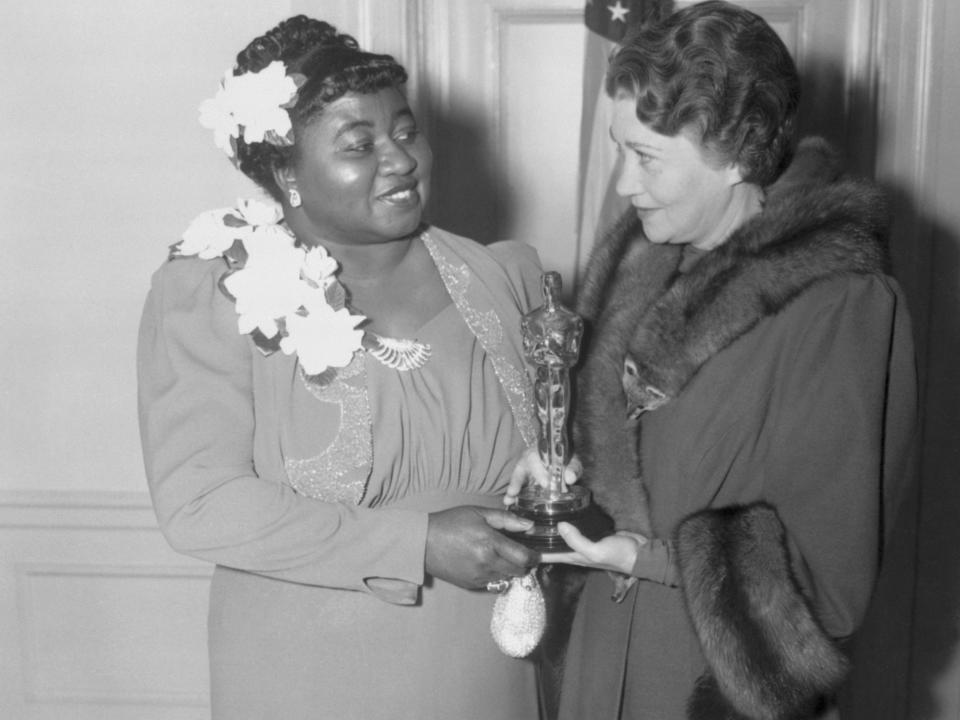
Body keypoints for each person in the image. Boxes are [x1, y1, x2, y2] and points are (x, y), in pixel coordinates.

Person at [508, 2, 918, 719]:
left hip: (711, 682)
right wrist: (560, 465)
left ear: (733, 153)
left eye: (647, 158)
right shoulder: (636, 264)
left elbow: (832, 585)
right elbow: (626, 460)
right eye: (620, 151)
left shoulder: (841, 305)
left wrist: (650, 560)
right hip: (598, 665)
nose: (626, 185)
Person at [137, 16, 547, 720]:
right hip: (309, 672)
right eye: (360, 145)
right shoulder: (214, 292)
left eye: (406, 130)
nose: (401, 158)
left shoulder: (504, 277)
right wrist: (417, 542)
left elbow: (564, 450)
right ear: (287, 171)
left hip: (482, 664)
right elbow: (199, 505)